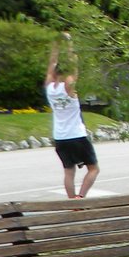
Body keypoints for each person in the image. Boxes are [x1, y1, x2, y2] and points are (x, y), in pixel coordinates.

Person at [45, 32, 98, 199]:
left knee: (69, 171)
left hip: (60, 137)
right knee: (93, 168)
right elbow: (74, 64)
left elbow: (52, 62)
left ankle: (71, 202)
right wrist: (69, 44)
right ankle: (80, 197)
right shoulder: (69, 88)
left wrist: (56, 43)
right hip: (77, 135)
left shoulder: (50, 89)